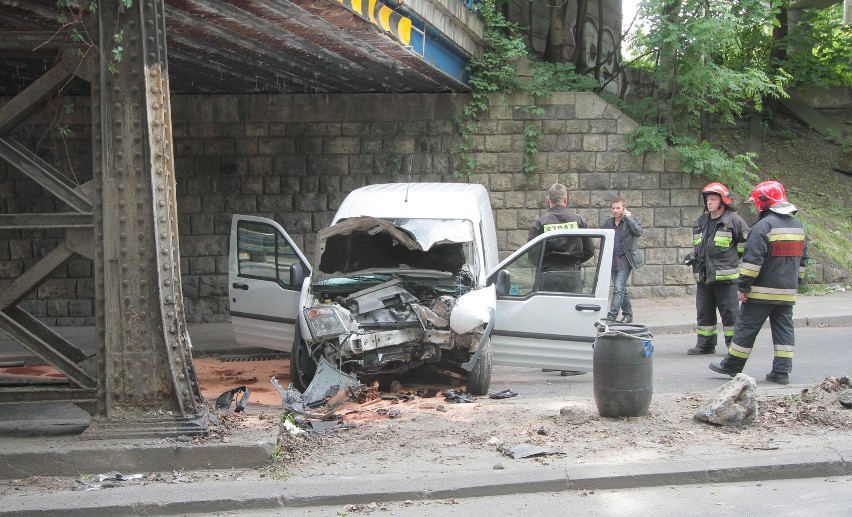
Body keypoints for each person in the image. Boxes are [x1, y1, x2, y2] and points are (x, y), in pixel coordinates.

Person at [710, 180, 808, 385]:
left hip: (761, 291)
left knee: (746, 327)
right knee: (784, 329)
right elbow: (803, 261)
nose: (755, 206)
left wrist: (743, 287)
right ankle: (782, 372)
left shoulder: (764, 226)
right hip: (787, 291)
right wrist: (795, 284)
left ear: (764, 202)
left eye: (756, 202)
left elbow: (752, 262)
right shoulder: (798, 226)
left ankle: (732, 365)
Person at [684, 182, 750, 355]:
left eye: (713, 199)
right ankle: (705, 344)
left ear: (723, 201)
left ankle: (734, 347)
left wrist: (730, 261)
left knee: (730, 315)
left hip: (726, 278)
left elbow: (746, 249)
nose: (709, 202)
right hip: (704, 276)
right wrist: (693, 257)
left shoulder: (734, 221)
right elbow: (701, 247)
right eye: (707, 199)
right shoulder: (701, 221)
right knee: (704, 313)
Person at [527, 183, 595, 293]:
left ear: (548, 200)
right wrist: (575, 262)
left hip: (547, 275)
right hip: (572, 274)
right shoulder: (579, 220)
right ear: (565, 200)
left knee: (548, 309)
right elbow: (589, 250)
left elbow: (532, 254)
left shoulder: (540, 223)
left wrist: (545, 264)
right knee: (572, 309)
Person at [602, 197, 644, 323]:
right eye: (613, 208)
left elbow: (638, 232)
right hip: (612, 261)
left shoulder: (631, 220)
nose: (615, 210)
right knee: (621, 289)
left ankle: (611, 317)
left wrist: (629, 218)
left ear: (624, 208)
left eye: (618, 208)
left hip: (626, 260)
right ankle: (628, 315)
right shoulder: (609, 223)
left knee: (618, 288)